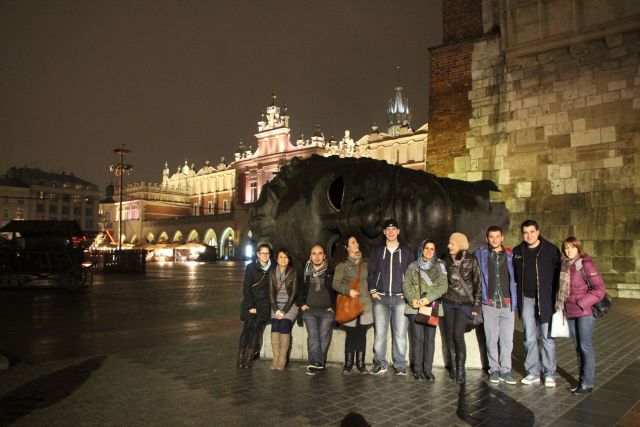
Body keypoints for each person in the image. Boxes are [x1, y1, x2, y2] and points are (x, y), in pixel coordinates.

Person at [512, 219, 561, 387]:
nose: (529, 235)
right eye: (525, 233)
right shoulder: (518, 251)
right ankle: (533, 372)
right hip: (526, 299)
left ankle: (549, 374)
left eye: (532, 232)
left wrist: (557, 300)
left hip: (545, 300)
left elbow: (559, 276)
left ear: (538, 232)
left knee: (547, 338)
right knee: (529, 337)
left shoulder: (551, 250)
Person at [556, 236, 605, 395]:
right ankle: (581, 381)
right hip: (570, 310)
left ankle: (587, 383)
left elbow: (599, 289)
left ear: (578, 248)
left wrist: (582, 303)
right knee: (578, 347)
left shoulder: (585, 264)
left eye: (572, 247)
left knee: (585, 346)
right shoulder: (564, 265)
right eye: (566, 248)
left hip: (585, 311)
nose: (569, 250)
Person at [367, 219, 414, 375]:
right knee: (380, 334)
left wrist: (407, 292)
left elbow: (411, 274)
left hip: (400, 298)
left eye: (394, 229)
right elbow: (371, 272)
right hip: (380, 298)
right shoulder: (377, 251)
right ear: (384, 232)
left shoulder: (407, 251)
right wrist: (373, 290)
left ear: (398, 231)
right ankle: (380, 363)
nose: (391, 232)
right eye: (388, 229)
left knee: (400, 333)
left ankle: (400, 364)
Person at [474, 226, 518, 385]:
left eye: (497, 236)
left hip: (507, 304)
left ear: (502, 238)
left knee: (507, 340)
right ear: (487, 239)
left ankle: (505, 370)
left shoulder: (510, 255)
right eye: (491, 237)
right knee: (491, 339)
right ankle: (494, 369)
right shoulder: (480, 254)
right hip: (489, 303)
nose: (494, 239)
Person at [403, 239, 448, 381]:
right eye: (426, 248)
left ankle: (428, 370)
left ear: (435, 251)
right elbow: (406, 285)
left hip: (431, 305)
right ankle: (417, 370)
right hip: (415, 306)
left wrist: (428, 299)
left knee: (429, 339)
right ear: (422, 249)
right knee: (417, 339)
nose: (428, 251)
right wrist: (412, 299)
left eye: (432, 249)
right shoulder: (412, 266)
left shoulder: (440, 266)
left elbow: (443, 286)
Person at [442, 232, 481, 385]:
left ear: (460, 245)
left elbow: (478, 284)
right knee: (449, 336)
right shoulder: (446, 260)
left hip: (464, 304)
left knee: (458, 335)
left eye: (452, 244)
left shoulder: (472, 260)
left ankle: (461, 369)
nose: (448, 246)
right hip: (449, 302)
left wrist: (476, 305)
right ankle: (453, 368)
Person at [333, 235, 373, 374]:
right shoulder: (342, 265)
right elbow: (335, 284)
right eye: (352, 243)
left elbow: (372, 281)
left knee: (361, 334)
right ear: (347, 247)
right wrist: (348, 291)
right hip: (350, 305)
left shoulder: (366, 263)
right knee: (351, 334)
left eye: (357, 242)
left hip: (365, 305)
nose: (356, 244)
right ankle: (348, 364)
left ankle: (361, 364)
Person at [298, 244, 335, 376]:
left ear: (324, 256)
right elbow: (300, 288)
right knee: (313, 335)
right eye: (314, 253)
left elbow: (336, 290)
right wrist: (302, 303)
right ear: (310, 256)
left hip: (327, 311)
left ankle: (316, 363)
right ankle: (317, 363)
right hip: (309, 310)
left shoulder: (330, 271)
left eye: (320, 253)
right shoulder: (306, 271)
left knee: (324, 335)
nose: (317, 256)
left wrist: (333, 306)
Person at [237, 243, 274, 368]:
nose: (265, 255)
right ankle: (240, 358)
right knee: (247, 328)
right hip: (250, 303)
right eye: (262, 253)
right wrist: (251, 306)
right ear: (258, 254)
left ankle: (248, 360)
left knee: (256, 330)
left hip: (264, 305)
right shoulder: (251, 267)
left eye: (267, 253)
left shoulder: (272, 268)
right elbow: (246, 289)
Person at [269, 249, 299, 370]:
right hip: (276, 305)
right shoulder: (272, 273)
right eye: (281, 257)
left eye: (286, 257)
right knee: (275, 325)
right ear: (277, 259)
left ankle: (282, 358)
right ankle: (275, 357)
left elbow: (294, 294)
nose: (283, 259)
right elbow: (271, 293)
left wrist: (284, 311)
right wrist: (276, 310)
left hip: (290, 306)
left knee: (284, 325)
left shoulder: (293, 272)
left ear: (289, 259)